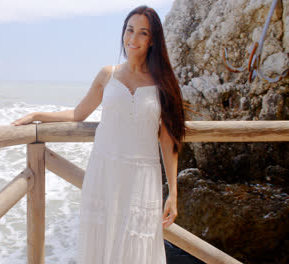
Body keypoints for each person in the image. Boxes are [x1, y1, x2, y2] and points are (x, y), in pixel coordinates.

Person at [11, 5, 188, 263]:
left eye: (142, 33)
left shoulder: (162, 83)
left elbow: (168, 138)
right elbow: (78, 113)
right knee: (101, 242)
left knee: (136, 248)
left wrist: (173, 192)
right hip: (105, 171)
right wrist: (39, 116)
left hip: (142, 177)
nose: (132, 39)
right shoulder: (108, 75)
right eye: (129, 30)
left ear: (152, 41)